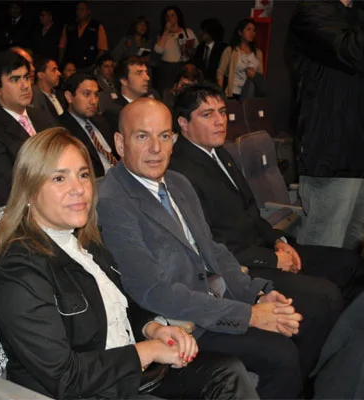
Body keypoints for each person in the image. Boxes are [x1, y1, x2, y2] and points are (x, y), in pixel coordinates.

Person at [0, 126, 259, 400]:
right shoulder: (19, 272)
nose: (78, 189)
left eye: (83, 175)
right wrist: (148, 350)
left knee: (228, 372)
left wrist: (153, 328)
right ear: (30, 191)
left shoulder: (86, 244)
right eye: (59, 178)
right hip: (88, 391)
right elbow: (65, 377)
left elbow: (117, 306)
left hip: (126, 374)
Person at [98, 97, 305, 399]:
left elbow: (214, 250)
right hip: (182, 323)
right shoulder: (113, 202)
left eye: (164, 136)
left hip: (216, 299)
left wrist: (256, 293)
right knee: (282, 354)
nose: (156, 148)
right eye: (142, 136)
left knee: (301, 318)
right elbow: (154, 291)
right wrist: (250, 315)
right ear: (119, 142)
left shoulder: (178, 182)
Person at [168, 83, 363, 306]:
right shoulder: (179, 171)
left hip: (263, 248)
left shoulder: (220, 153)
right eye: (207, 114)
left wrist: (279, 241)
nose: (220, 121)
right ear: (183, 123)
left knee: (350, 263)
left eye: (222, 112)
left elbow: (251, 212)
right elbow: (211, 244)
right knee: (327, 294)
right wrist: (273, 260)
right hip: (240, 266)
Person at [287, 0, 364, 251]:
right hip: (330, 152)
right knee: (323, 250)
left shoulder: (357, 11)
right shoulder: (312, 11)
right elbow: (352, 51)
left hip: (358, 152)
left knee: (353, 255)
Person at [0, 50, 52, 207]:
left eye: (26, 77)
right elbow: (5, 190)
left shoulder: (42, 117)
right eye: (15, 80)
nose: (25, 86)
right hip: (28, 208)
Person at [59, 73, 118, 177]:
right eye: (87, 94)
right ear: (69, 97)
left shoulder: (101, 120)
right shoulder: (61, 129)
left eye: (96, 95)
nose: (93, 101)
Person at [152, 6, 198, 94]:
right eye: (167, 16)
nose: (170, 18)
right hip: (167, 68)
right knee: (167, 93)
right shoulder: (163, 34)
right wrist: (166, 32)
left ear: (177, 17)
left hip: (183, 66)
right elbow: (158, 50)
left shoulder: (187, 32)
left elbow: (196, 48)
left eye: (173, 15)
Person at [217, 19, 265, 100]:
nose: (252, 33)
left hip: (250, 93)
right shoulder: (231, 50)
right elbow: (220, 72)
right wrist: (221, 94)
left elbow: (260, 74)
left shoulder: (258, 53)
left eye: (254, 30)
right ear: (240, 32)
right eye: (248, 29)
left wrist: (254, 75)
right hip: (233, 93)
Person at [103, 55, 153, 133]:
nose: (147, 78)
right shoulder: (115, 111)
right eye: (139, 73)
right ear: (124, 80)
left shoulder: (151, 103)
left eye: (146, 72)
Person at [59, 1, 109, 71]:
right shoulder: (69, 26)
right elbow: (62, 47)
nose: (79, 12)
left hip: (88, 66)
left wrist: (95, 65)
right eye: (77, 9)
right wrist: (61, 63)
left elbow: (102, 49)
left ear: (88, 11)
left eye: (82, 9)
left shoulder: (97, 26)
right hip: (70, 66)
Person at [31, 55, 64, 126]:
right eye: (54, 70)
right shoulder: (33, 98)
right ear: (40, 75)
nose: (59, 73)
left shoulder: (61, 95)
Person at [193, 18, 226, 84]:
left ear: (211, 32)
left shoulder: (222, 48)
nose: (200, 33)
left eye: (203, 31)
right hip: (201, 83)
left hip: (216, 84)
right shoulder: (200, 47)